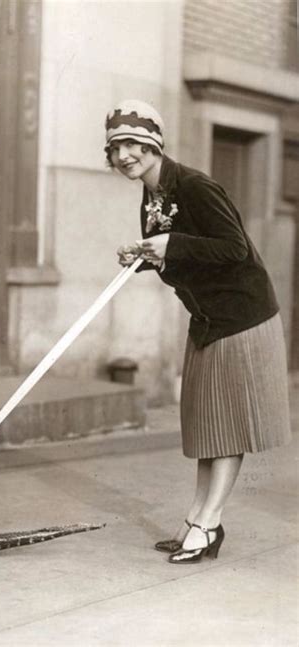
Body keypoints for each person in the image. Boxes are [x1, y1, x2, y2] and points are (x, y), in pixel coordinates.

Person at [105, 99, 291, 564]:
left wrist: (171, 244)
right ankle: (197, 520)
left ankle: (208, 524)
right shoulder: (152, 196)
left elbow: (234, 249)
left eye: (132, 142)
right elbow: (185, 256)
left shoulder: (194, 185)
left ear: (152, 142)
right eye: (115, 147)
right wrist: (149, 258)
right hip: (207, 321)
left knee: (227, 427)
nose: (124, 154)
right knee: (210, 427)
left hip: (241, 317)